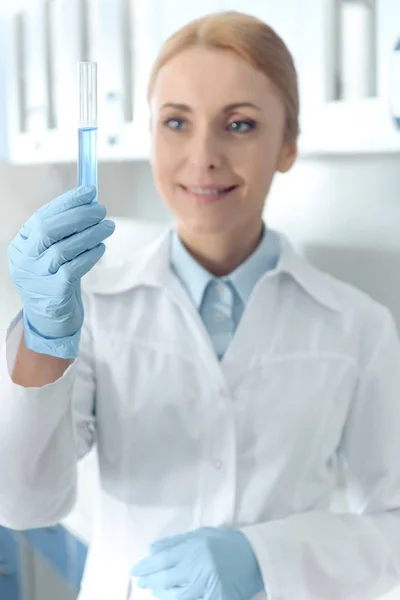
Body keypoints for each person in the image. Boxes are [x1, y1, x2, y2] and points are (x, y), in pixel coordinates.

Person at [1, 10, 400, 600]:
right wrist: (41, 337)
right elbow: (24, 499)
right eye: (176, 123)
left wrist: (266, 558)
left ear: (288, 144)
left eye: (239, 125)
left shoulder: (358, 326)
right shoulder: (96, 308)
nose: (203, 155)